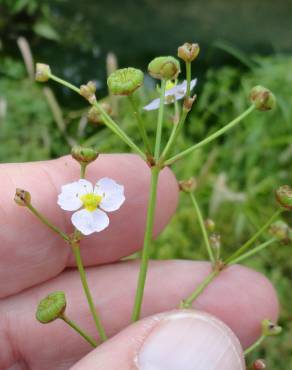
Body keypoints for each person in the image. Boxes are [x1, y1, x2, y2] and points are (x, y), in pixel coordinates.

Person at [0, 154, 278, 369]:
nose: (90, 197)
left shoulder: (100, 198)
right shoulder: (80, 206)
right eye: (88, 198)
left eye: (93, 197)